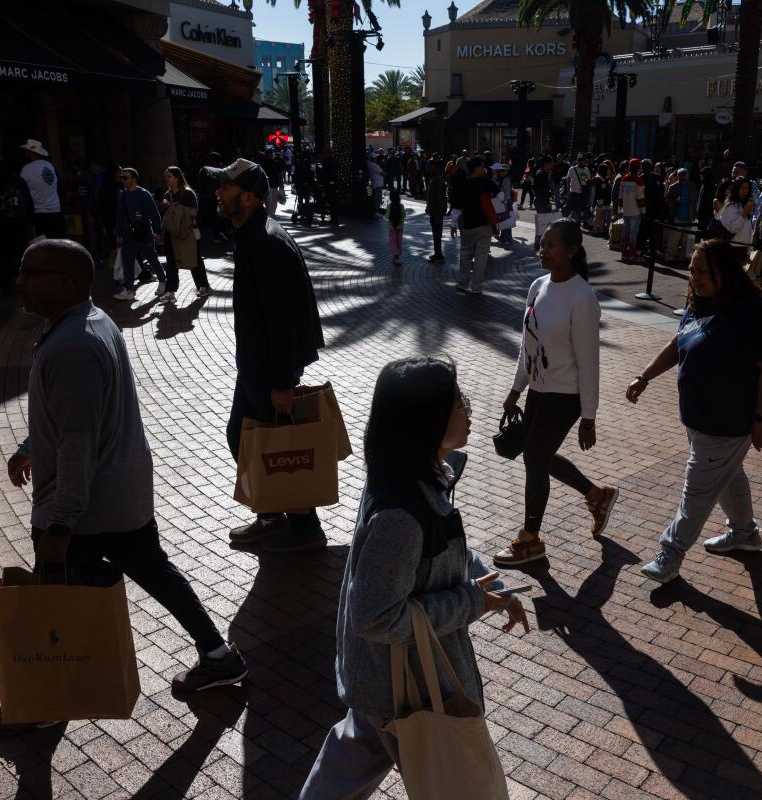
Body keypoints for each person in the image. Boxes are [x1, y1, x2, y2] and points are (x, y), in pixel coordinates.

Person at [0, 239, 249, 736]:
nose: (19, 281)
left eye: (29, 272)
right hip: (121, 497)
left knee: (52, 614)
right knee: (156, 572)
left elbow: (78, 445)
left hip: (83, 509)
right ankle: (219, 655)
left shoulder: (72, 347)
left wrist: (59, 525)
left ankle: (42, 703)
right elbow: (71, 417)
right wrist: (30, 445)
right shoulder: (90, 323)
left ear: (68, 282)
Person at [298, 356, 527, 799]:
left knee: (346, 768)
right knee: (460, 786)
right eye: (458, 400)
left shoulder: (416, 479)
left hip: (384, 682)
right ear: (428, 419)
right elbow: (377, 617)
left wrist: (492, 585)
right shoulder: (401, 515)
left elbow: (441, 556)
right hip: (405, 690)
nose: (468, 408)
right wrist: (472, 602)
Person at [627, 239, 762, 584]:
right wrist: (645, 377)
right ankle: (745, 533)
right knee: (729, 476)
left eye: (701, 271)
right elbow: (677, 342)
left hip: (728, 422)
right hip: (699, 418)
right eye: (691, 270)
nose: (694, 277)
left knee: (697, 488)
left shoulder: (753, 312)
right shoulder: (701, 303)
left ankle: (671, 552)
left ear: (724, 272)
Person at [209, 159, 328, 551]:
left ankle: (301, 526)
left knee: (282, 449)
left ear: (248, 196)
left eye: (225, 188)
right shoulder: (252, 236)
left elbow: (281, 321)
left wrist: (282, 383)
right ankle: (276, 514)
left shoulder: (265, 243)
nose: (218, 193)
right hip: (257, 368)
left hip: (268, 371)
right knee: (246, 439)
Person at [494, 219, 617, 568]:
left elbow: (590, 363)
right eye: (541, 244)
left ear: (572, 251)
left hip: (566, 397)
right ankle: (597, 496)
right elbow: (527, 343)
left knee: (535, 458)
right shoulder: (538, 286)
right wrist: (516, 389)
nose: (542, 250)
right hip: (538, 391)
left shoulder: (582, 299)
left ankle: (530, 539)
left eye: (550, 245)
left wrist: (588, 417)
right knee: (538, 456)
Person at [0, 154, 35, 297]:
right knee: (21, 255)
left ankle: (6, 288)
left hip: (0, 227)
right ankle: (25, 284)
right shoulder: (18, 180)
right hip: (19, 225)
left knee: (3, 257)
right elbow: (28, 202)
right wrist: (30, 221)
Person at [113, 167, 166, 302]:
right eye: (121, 177)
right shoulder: (122, 194)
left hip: (143, 233)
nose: (123, 180)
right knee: (127, 261)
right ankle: (129, 290)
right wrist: (118, 234)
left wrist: (158, 232)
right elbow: (119, 215)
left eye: (125, 177)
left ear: (133, 178)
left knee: (152, 258)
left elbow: (155, 215)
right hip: (127, 234)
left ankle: (163, 281)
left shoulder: (144, 194)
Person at [161, 166, 212, 300]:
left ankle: (204, 286)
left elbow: (194, 212)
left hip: (187, 233)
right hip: (171, 233)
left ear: (177, 177)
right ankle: (170, 291)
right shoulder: (168, 194)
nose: (167, 179)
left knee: (193, 259)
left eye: (169, 176)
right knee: (171, 262)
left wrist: (174, 207)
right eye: (166, 176)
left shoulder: (187, 193)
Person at [455, 156, 498, 296]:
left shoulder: (464, 185)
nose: (484, 169)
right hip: (485, 224)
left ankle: (462, 283)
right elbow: (500, 196)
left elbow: (457, 206)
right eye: (482, 166)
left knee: (466, 254)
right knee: (481, 257)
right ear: (476, 168)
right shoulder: (486, 183)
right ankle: (477, 287)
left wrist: (453, 224)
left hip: (468, 225)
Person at [19, 139, 63, 238]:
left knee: (41, 245)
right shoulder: (50, 166)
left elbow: (22, 189)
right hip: (55, 209)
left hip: (39, 211)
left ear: (31, 153)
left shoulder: (27, 169)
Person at [717, 177, 755, 257]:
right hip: (733, 247)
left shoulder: (743, 203)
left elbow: (747, 228)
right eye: (742, 188)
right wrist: (745, 212)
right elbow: (733, 228)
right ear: (736, 188)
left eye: (747, 188)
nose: (745, 191)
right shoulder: (730, 205)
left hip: (744, 247)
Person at [618, 159, 645, 262]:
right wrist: (643, 211)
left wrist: (619, 209)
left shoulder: (624, 179)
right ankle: (632, 254)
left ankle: (624, 254)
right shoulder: (639, 181)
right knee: (633, 233)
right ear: (638, 168)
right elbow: (640, 198)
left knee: (625, 232)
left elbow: (620, 196)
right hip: (636, 211)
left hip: (626, 210)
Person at [424, 161, 447, 263]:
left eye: (433, 168)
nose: (430, 169)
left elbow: (440, 199)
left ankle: (438, 255)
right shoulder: (433, 180)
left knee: (437, 234)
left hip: (437, 213)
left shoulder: (438, 181)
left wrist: (438, 213)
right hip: (433, 212)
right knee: (436, 234)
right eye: (430, 168)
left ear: (437, 169)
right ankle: (437, 253)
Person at [532, 156, 556, 249]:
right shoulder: (541, 173)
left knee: (543, 222)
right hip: (541, 201)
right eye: (551, 162)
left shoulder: (543, 173)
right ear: (546, 163)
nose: (553, 164)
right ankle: (538, 243)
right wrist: (546, 202)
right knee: (543, 222)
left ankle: (539, 243)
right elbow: (542, 190)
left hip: (541, 200)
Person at [494, 163, 515, 246]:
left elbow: (506, 192)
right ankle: (507, 238)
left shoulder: (506, 179)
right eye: (500, 171)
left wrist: (505, 203)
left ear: (507, 171)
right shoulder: (502, 179)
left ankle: (505, 238)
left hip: (505, 202)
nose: (501, 172)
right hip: (504, 202)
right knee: (506, 220)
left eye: (503, 171)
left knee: (505, 220)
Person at [386, 188, 405, 266]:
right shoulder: (401, 206)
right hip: (400, 227)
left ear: (391, 198)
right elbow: (404, 215)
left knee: (393, 242)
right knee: (398, 241)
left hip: (392, 228)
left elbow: (387, 216)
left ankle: (395, 257)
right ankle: (397, 257)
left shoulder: (390, 206)